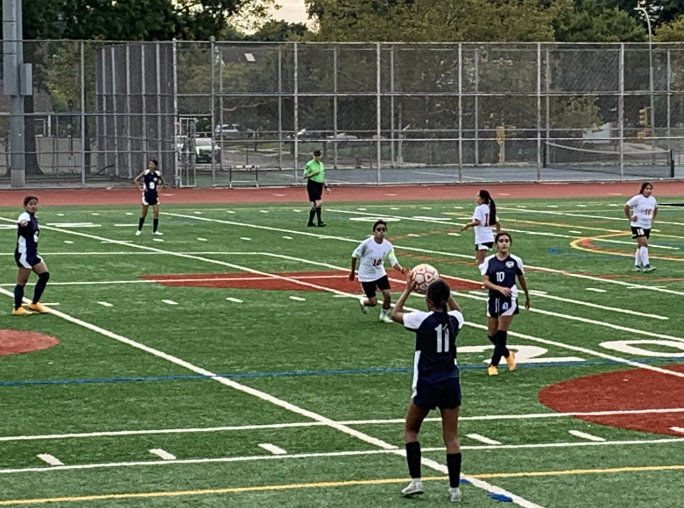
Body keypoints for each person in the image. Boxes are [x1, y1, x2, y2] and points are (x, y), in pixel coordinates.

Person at [391, 278, 465, 502]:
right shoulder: (454, 320)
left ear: (428, 299)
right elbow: (458, 312)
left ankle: (416, 481)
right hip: (450, 381)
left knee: (411, 430)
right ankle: (454, 489)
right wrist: (447, 294)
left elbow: (395, 313)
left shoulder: (420, 319)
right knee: (451, 436)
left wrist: (406, 290)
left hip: (427, 382)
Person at [480, 231, 530, 376]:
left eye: (506, 241)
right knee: (491, 333)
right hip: (494, 298)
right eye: (501, 241)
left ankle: (493, 364)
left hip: (509, 299)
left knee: (501, 333)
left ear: (510, 244)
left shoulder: (515, 261)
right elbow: (485, 281)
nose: (504, 243)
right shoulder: (489, 261)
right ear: (496, 244)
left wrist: (527, 296)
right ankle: (508, 354)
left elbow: (521, 279)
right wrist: (499, 288)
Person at [349, 220, 407, 323]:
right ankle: (364, 301)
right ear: (374, 231)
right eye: (378, 230)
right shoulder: (366, 244)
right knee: (373, 302)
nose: (381, 232)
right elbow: (354, 256)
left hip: (380, 273)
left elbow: (393, 261)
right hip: (366, 276)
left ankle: (383, 316)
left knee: (388, 295)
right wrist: (353, 272)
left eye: (383, 230)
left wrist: (400, 268)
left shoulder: (388, 246)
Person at [12, 195, 50, 316]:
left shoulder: (34, 218)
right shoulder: (24, 217)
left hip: (33, 253)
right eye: (31, 204)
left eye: (35, 204)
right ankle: (17, 308)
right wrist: (22, 224)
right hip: (24, 254)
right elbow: (22, 222)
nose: (33, 206)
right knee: (22, 281)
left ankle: (34, 303)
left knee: (44, 275)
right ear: (25, 206)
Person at [460, 189, 500, 266]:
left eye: (478, 196)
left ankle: (489, 275)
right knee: (480, 261)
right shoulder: (489, 208)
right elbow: (497, 223)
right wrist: (498, 234)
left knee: (480, 263)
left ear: (483, 198)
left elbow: (478, 222)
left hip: (482, 238)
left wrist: (468, 225)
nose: (476, 197)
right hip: (488, 237)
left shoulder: (479, 208)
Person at [624, 182, 657, 272]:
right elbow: (626, 206)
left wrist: (653, 218)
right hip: (637, 225)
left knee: (640, 246)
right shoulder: (638, 198)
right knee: (644, 244)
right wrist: (629, 217)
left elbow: (655, 208)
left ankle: (637, 265)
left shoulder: (652, 199)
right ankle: (646, 265)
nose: (649, 191)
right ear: (643, 189)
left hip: (647, 225)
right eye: (647, 189)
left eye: (650, 189)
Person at [133, 159, 165, 236]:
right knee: (144, 213)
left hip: (154, 195)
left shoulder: (158, 173)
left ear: (155, 166)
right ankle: (139, 229)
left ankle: (155, 231)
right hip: (146, 195)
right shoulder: (146, 172)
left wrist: (160, 188)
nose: (150, 165)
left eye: (152, 164)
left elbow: (163, 182)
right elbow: (136, 180)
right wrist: (140, 188)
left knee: (156, 212)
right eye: (149, 164)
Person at [303, 150, 330, 227]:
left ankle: (310, 222)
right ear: (313, 155)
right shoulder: (310, 164)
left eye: (318, 155)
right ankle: (319, 221)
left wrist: (326, 186)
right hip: (312, 184)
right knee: (319, 202)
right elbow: (305, 176)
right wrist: (313, 173)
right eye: (316, 155)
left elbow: (322, 176)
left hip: (319, 184)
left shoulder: (321, 164)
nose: (317, 157)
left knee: (314, 204)